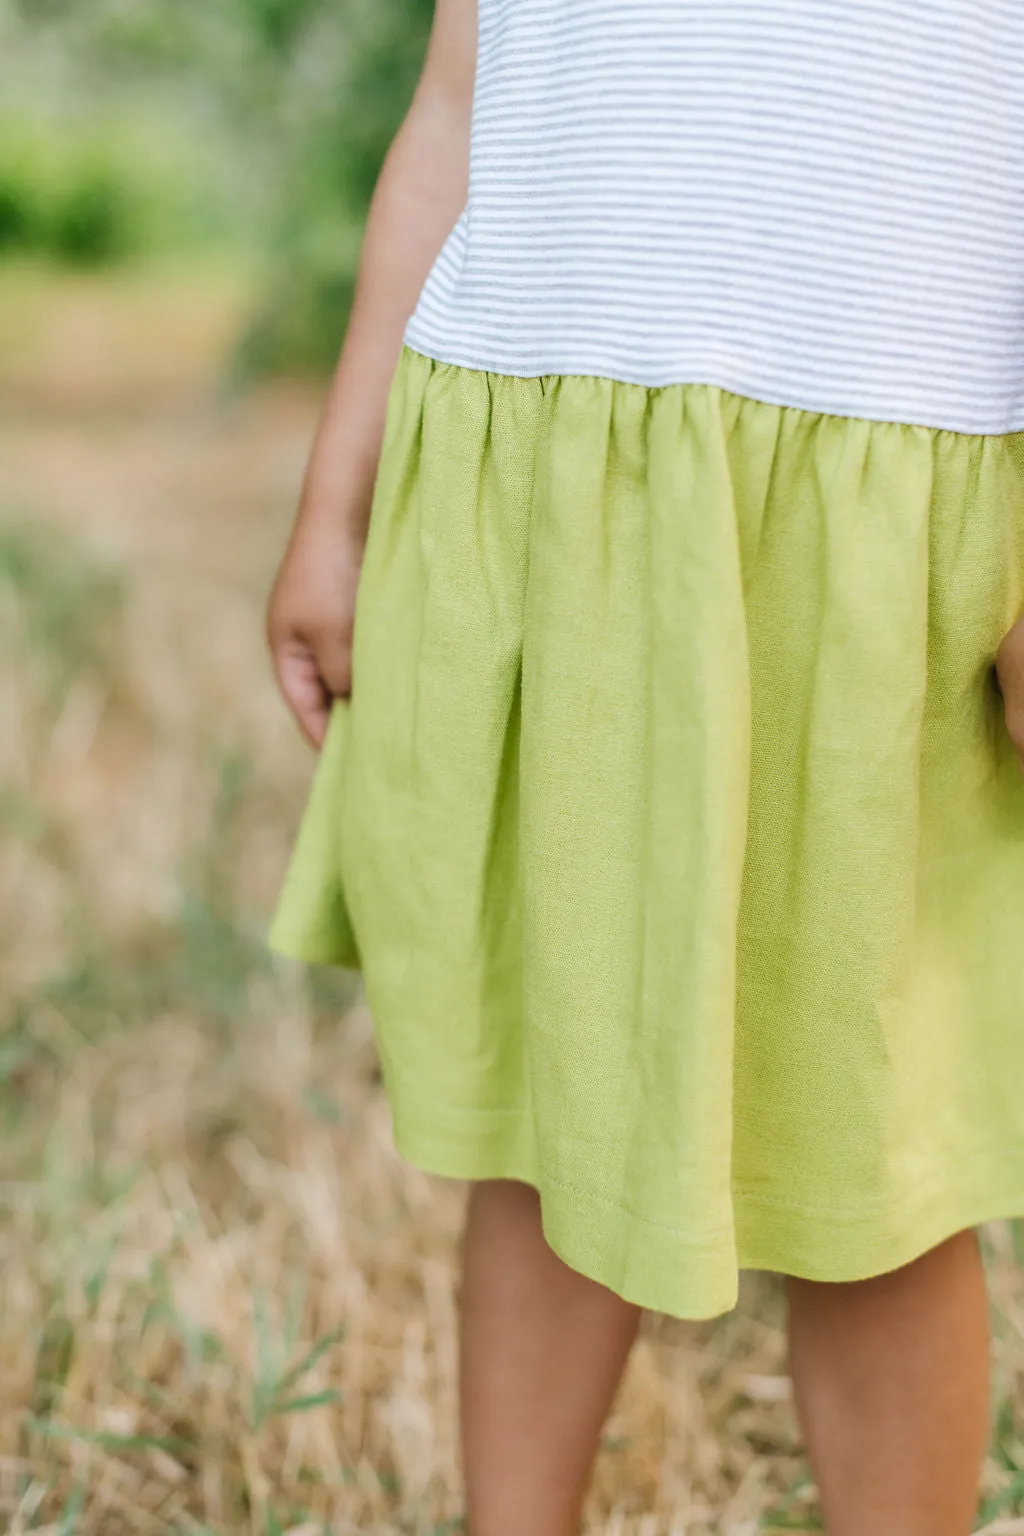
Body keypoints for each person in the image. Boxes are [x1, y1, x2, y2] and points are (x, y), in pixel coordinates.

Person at [266, 2, 1024, 1531]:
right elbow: (453, 106)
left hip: (878, 499)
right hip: (560, 491)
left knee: (873, 1158)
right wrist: (336, 502)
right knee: (556, 1103)